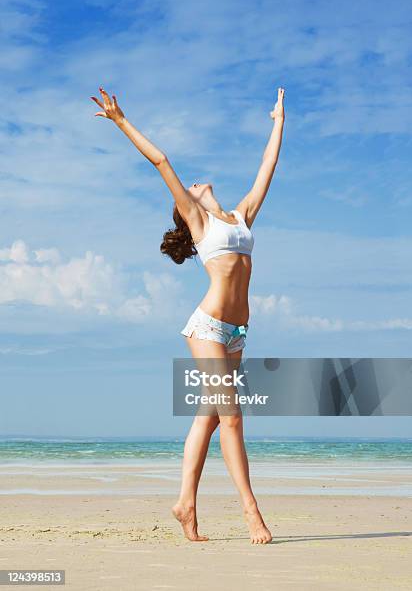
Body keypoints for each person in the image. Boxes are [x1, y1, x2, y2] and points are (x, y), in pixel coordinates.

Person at [90, 86, 285, 544]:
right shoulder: (200, 222)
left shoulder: (241, 217)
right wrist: (121, 121)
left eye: (195, 186)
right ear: (189, 208)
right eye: (192, 189)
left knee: (210, 417)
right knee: (233, 418)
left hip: (236, 332)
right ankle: (252, 513)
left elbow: (267, 168)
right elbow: (161, 161)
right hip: (208, 327)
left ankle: (185, 504)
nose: (196, 183)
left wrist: (278, 122)